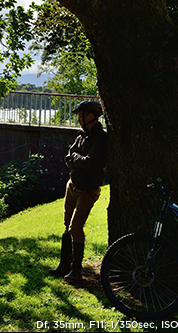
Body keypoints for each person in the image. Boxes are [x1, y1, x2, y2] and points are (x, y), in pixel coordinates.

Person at [49, 100, 108, 283]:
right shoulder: (81, 136)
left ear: (90, 115)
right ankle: (64, 265)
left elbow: (92, 163)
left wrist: (76, 159)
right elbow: (68, 158)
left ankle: (76, 270)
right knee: (67, 226)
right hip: (72, 186)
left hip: (88, 190)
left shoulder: (101, 138)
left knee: (75, 228)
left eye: (80, 114)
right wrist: (77, 160)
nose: (78, 118)